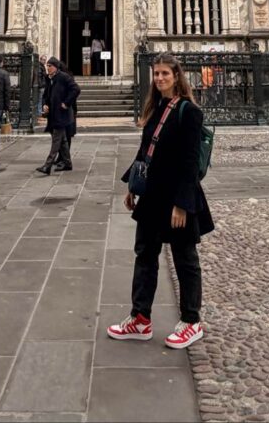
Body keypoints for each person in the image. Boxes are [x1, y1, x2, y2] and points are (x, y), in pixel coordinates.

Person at [107, 52, 213, 349]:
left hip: (177, 197)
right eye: (156, 74)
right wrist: (132, 185)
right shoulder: (155, 108)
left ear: (177, 76)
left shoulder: (189, 111)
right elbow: (146, 151)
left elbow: (191, 162)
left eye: (165, 73)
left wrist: (183, 203)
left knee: (185, 259)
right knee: (144, 255)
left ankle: (191, 322)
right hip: (152, 196)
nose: (160, 78)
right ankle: (140, 318)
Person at [36, 57, 79, 175]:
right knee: (63, 141)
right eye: (47, 66)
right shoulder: (49, 78)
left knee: (56, 140)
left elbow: (76, 89)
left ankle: (47, 165)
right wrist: (45, 104)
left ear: (55, 67)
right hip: (53, 113)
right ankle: (68, 163)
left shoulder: (64, 77)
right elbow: (46, 95)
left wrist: (66, 103)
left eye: (50, 66)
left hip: (62, 114)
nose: (47, 68)